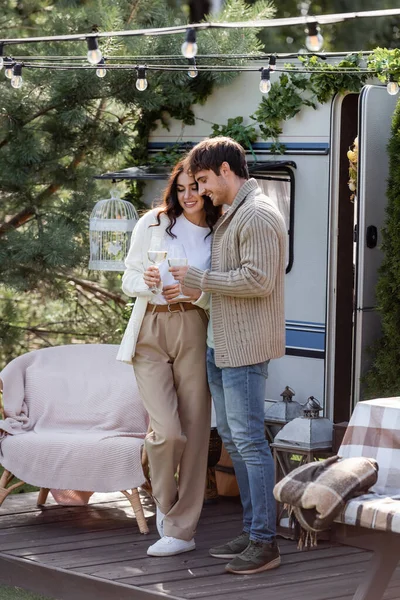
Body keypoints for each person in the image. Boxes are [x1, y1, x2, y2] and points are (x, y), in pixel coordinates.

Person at [170, 137, 287, 574]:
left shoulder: (256, 214)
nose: (200, 192)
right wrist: (195, 291)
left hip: (244, 348)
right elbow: (228, 283)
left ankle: (265, 542)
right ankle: (252, 529)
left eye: (203, 181)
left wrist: (200, 278)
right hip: (222, 344)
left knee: (251, 442)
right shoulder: (233, 214)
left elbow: (257, 281)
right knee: (236, 441)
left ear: (224, 169)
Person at [117, 159, 221, 557]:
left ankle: (181, 530)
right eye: (181, 189)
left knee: (195, 433)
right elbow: (128, 276)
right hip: (150, 329)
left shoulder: (218, 230)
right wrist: (142, 282)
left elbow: (219, 290)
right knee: (167, 432)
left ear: (207, 187)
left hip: (193, 326)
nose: (189, 195)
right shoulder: (153, 224)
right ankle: (166, 504)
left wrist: (199, 295)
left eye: (196, 186)